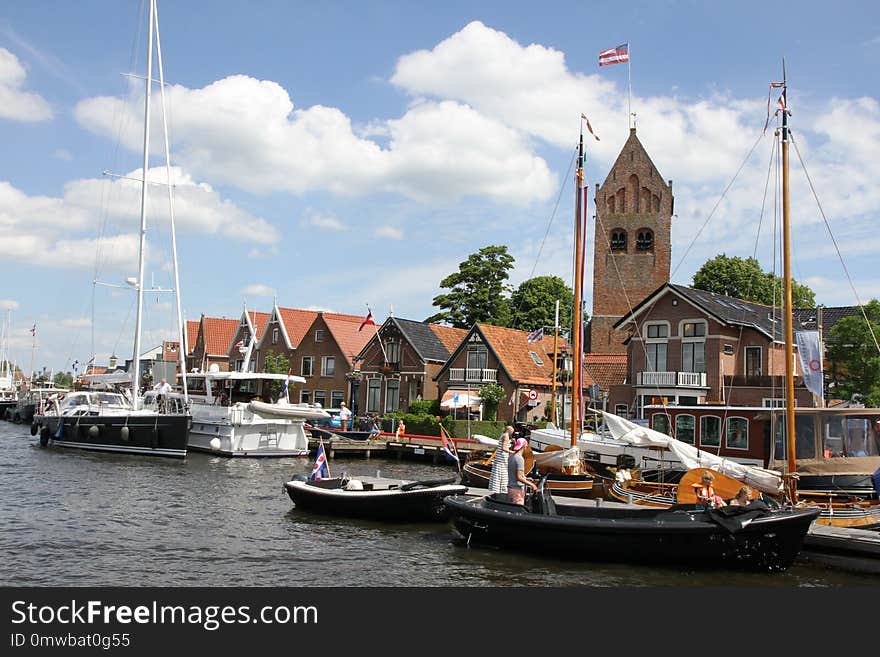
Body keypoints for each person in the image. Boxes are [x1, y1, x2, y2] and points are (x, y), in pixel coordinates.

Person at [507, 437, 537, 504]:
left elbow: (514, 473)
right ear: (524, 447)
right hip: (517, 490)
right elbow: (519, 477)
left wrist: (526, 478)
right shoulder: (520, 459)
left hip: (510, 488)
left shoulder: (511, 456)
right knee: (517, 511)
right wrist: (532, 485)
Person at [488, 425, 514, 494]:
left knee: (498, 474)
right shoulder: (506, 436)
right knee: (502, 474)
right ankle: (501, 491)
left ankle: (497, 490)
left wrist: (510, 441)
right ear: (509, 430)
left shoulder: (504, 435)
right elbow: (504, 448)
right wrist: (513, 452)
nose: (512, 433)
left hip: (499, 458)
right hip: (502, 459)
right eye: (512, 431)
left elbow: (504, 444)